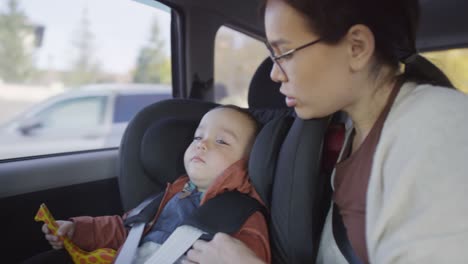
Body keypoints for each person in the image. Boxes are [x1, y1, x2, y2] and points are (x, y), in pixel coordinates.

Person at [182, 0, 468, 263]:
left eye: (286, 53)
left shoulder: (438, 131)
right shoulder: (351, 132)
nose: (274, 74)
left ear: (356, 47)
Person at [28, 105, 271, 264]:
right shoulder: (175, 192)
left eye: (221, 141)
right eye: (198, 136)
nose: (202, 144)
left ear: (249, 162)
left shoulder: (242, 215)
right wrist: (78, 230)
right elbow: (126, 228)